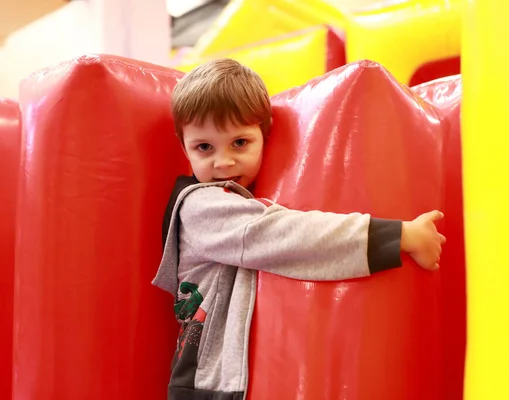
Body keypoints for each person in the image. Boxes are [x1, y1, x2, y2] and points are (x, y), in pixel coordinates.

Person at [152, 59, 446, 400]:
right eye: (205, 147)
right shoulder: (203, 207)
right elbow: (284, 236)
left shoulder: (238, 195)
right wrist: (397, 237)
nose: (223, 162)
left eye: (240, 143)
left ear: (265, 135)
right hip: (210, 386)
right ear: (183, 147)